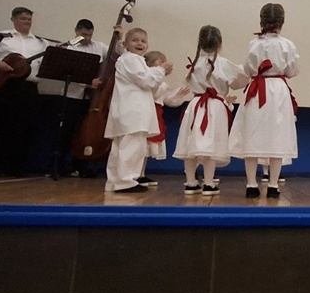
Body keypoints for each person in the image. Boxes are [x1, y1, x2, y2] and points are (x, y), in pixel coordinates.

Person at [229, 3, 299, 199]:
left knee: (252, 133)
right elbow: (293, 69)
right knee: (278, 134)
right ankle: (273, 185)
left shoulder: (254, 44)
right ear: (282, 23)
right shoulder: (287, 44)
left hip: (257, 89)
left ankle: (251, 184)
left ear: (261, 21)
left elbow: (248, 68)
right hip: (278, 91)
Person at [174, 25, 246, 195]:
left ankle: (190, 182)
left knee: (191, 143)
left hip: (195, 105)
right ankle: (208, 183)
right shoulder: (223, 63)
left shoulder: (195, 63)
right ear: (220, 43)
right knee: (211, 145)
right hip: (215, 107)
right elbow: (239, 82)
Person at [37, 18, 111, 177]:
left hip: (90, 99)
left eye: (90, 35)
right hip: (71, 96)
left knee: (83, 132)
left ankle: (80, 166)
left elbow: (115, 54)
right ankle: (57, 166)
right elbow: (62, 72)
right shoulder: (68, 48)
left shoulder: (99, 46)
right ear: (76, 31)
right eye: (84, 34)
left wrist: (118, 37)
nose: (87, 38)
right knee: (64, 132)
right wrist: (87, 83)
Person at [103, 29, 171, 193]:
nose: (139, 43)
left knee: (120, 148)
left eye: (143, 41)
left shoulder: (128, 59)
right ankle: (126, 181)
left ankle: (114, 181)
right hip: (134, 111)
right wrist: (161, 70)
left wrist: (158, 73)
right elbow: (146, 80)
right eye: (135, 40)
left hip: (127, 110)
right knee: (133, 147)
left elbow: (147, 82)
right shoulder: (132, 59)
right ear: (126, 44)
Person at [0, 7, 50, 177]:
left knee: (26, 127)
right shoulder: (1, 36)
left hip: (29, 87)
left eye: (29, 19)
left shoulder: (41, 43)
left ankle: (18, 167)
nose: (27, 21)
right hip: (6, 86)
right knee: (2, 125)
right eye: (22, 18)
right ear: (13, 19)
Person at [136, 51, 190, 188]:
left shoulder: (161, 83)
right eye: (161, 62)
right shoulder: (149, 81)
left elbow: (167, 100)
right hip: (146, 114)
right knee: (141, 146)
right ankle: (134, 174)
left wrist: (178, 94)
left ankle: (141, 174)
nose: (164, 65)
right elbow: (154, 92)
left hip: (156, 114)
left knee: (147, 147)